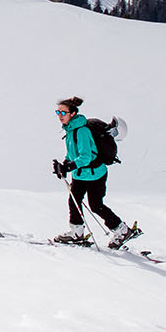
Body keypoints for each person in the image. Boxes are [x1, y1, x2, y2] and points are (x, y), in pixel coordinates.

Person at [51, 96, 139, 248]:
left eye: (63, 112)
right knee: (74, 201)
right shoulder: (70, 130)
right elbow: (72, 153)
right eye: (58, 112)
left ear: (72, 113)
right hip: (80, 174)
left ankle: (122, 230)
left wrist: (69, 167)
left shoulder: (82, 131)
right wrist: (64, 164)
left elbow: (86, 157)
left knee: (96, 205)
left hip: (95, 175)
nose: (60, 115)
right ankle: (76, 233)